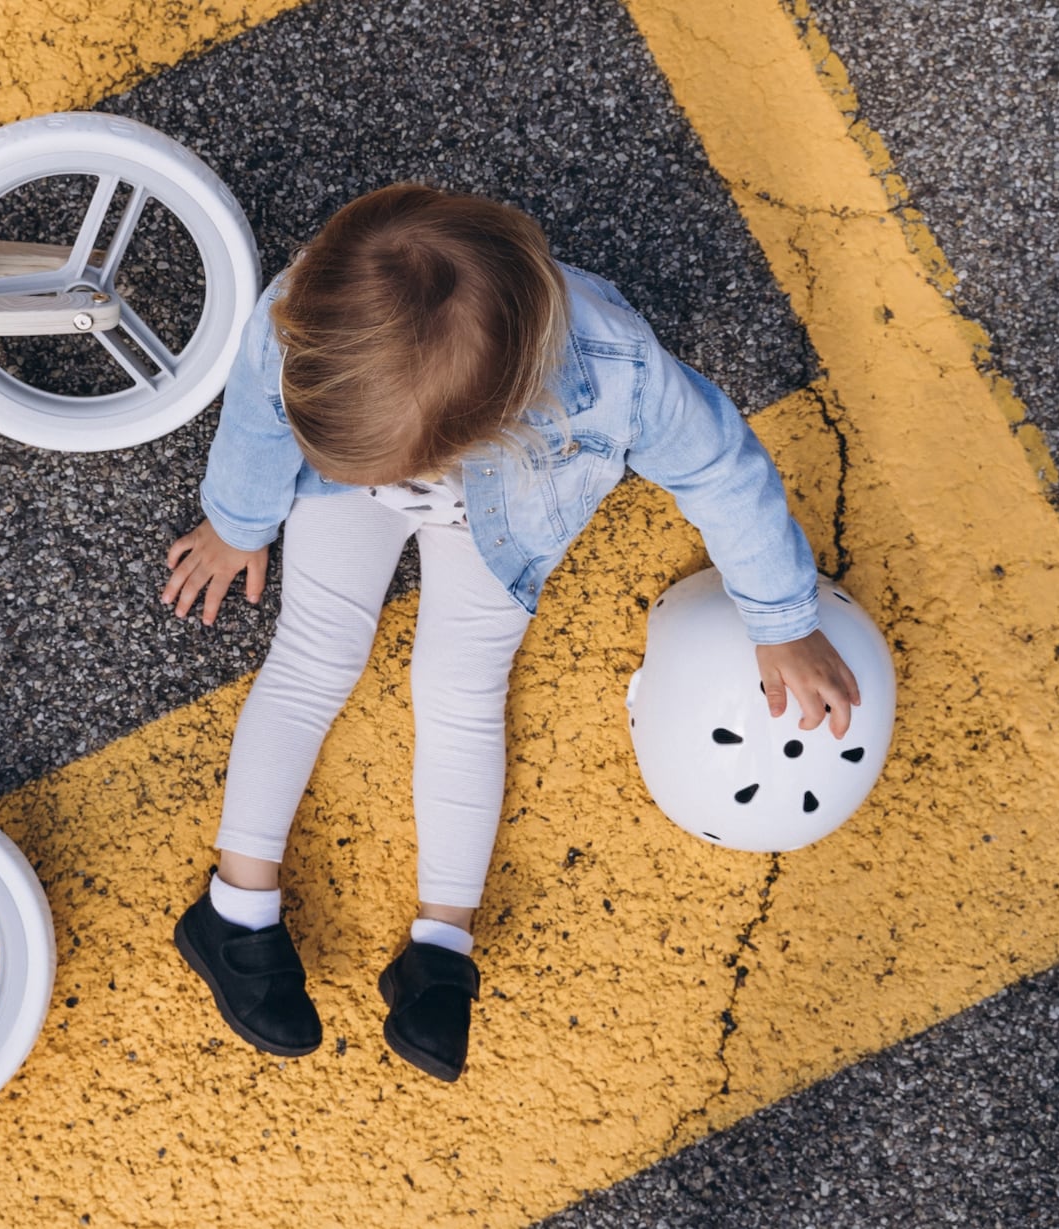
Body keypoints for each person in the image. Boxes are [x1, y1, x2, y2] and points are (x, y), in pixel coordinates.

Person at [161, 184, 860, 1082]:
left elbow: (722, 469)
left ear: (494, 422)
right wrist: (239, 521)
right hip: (346, 485)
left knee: (460, 690)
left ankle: (442, 942)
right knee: (313, 654)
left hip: (505, 515)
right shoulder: (305, 315)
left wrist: (782, 618)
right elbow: (262, 421)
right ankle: (235, 911)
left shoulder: (618, 371)